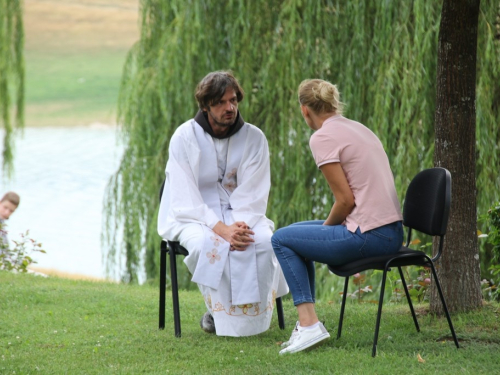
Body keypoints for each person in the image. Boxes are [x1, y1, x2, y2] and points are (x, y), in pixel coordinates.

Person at [272, 79, 403, 354]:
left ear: (305, 110)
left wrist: (324, 231)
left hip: (369, 235)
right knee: (294, 231)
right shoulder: (359, 128)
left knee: (282, 239)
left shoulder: (322, 137)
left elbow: (345, 201)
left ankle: (309, 326)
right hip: (390, 231)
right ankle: (307, 323)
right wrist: (323, 231)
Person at [157, 71, 288, 337]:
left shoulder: (254, 138)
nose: (230, 108)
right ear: (205, 106)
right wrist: (221, 229)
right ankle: (217, 314)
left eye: (233, 101)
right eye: (221, 102)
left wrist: (239, 225)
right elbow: (184, 196)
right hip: (192, 215)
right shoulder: (184, 137)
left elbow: (254, 190)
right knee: (210, 245)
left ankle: (256, 321)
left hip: (243, 213)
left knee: (262, 241)